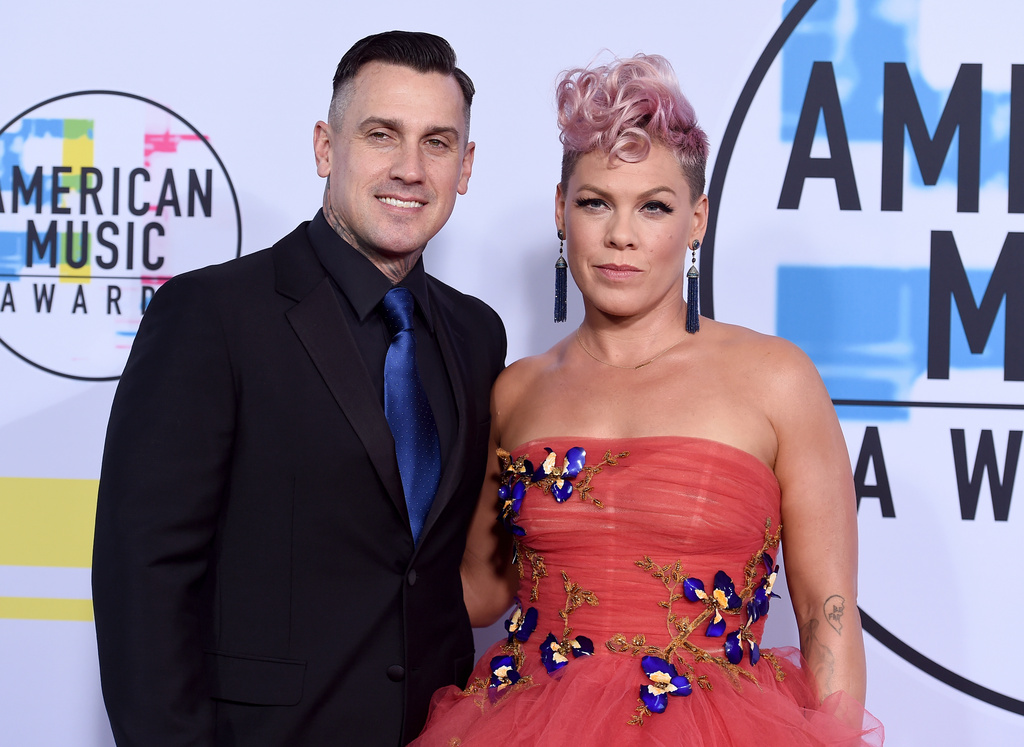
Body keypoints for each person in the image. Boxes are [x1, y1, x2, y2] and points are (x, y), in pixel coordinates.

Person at [413, 54, 883, 745]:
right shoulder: (517, 390)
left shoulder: (777, 379)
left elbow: (825, 612)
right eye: (596, 201)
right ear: (560, 210)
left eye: (653, 206)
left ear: (696, 221)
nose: (620, 236)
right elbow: (482, 589)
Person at [92, 31, 506, 746]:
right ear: (325, 147)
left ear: (465, 167)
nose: (410, 168)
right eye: (382, 135)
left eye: (437, 143)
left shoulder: (477, 335)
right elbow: (144, 582)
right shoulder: (211, 316)